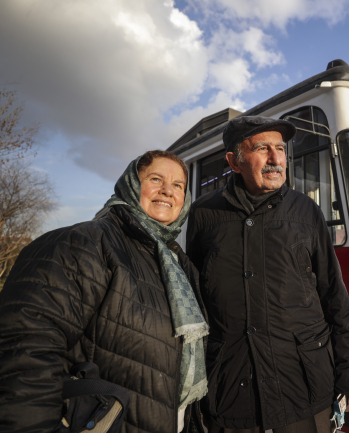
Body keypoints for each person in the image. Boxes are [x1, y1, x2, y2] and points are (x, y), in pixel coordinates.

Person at [0, 150, 208, 433]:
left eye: (178, 185)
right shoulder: (85, 243)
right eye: (155, 179)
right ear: (131, 184)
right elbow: (25, 350)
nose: (167, 191)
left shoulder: (181, 267)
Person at [186, 116, 349, 433]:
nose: (275, 158)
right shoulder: (203, 214)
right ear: (234, 161)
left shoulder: (307, 211)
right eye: (262, 148)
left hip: (303, 385)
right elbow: (196, 304)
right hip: (231, 391)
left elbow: (335, 297)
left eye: (280, 149)